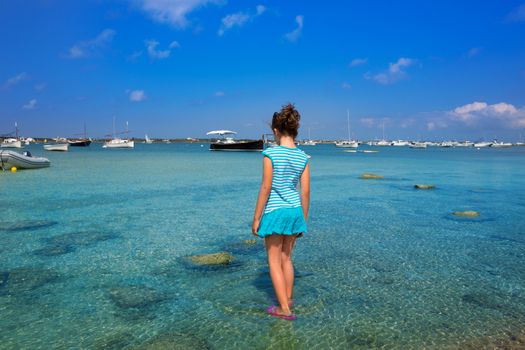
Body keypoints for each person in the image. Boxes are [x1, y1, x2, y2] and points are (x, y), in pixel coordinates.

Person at [252, 103, 310, 321]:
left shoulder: (271, 154)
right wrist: (303, 219)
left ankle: (284, 309)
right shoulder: (303, 157)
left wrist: (257, 218)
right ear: (295, 131)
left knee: (274, 260)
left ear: (275, 131)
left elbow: (265, 188)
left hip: (275, 211)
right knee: (286, 258)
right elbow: (305, 192)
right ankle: (288, 298)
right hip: (295, 212)